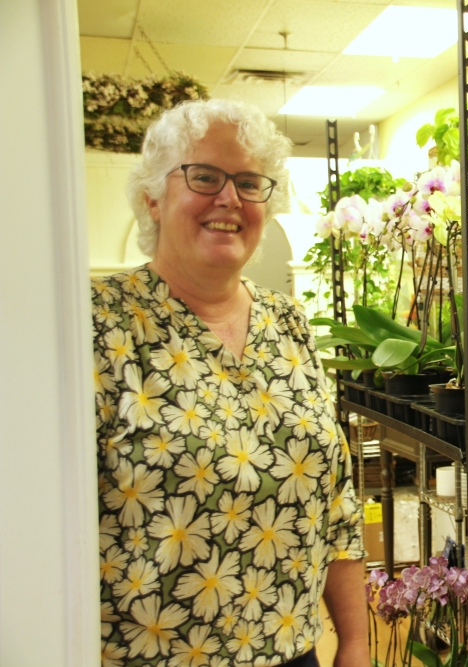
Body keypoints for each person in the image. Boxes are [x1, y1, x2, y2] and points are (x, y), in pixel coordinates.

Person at [93, 99, 368, 667]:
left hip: (295, 654)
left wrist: (356, 643)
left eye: (249, 182)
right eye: (204, 176)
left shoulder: (287, 322)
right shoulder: (99, 324)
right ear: (153, 198)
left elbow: (337, 504)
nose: (229, 199)